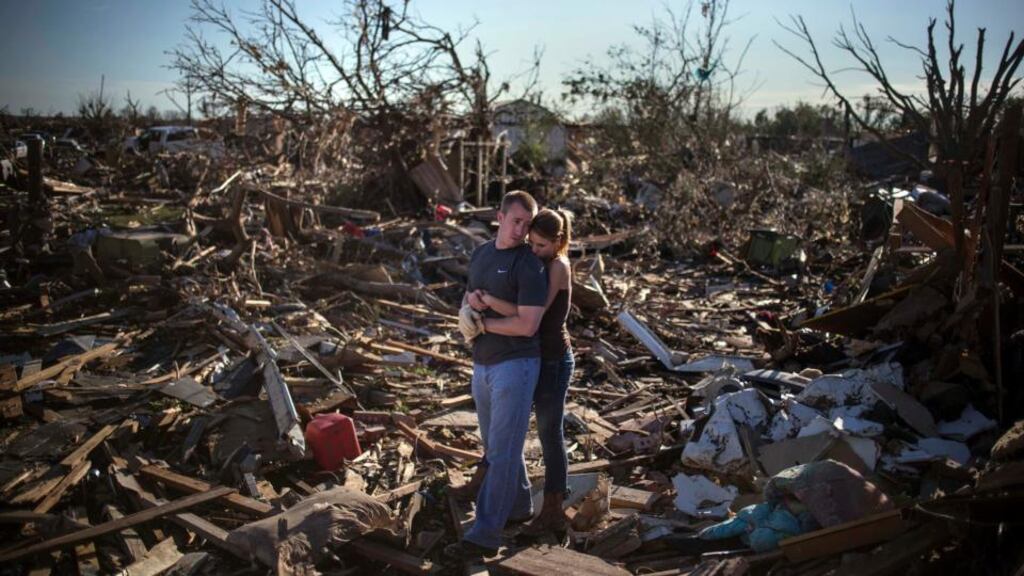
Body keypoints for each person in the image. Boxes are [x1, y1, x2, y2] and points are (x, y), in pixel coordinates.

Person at [445, 191, 548, 560]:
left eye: (527, 223)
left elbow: (527, 325)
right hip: (483, 363)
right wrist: (468, 309)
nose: (521, 230)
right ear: (500, 218)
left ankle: (485, 534)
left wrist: (484, 322)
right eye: (516, 221)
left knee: (503, 452)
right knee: (496, 447)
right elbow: (471, 294)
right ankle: (519, 507)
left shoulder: (529, 265)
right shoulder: (482, 253)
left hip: (516, 366)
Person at [472, 208, 575, 535]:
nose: (534, 250)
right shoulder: (535, 262)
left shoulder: (557, 266)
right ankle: (492, 486)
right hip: (531, 356)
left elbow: (531, 314)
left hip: (554, 360)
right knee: (503, 425)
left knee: (548, 431)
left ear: (558, 242)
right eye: (531, 243)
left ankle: (554, 507)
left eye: (541, 245)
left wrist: (488, 305)